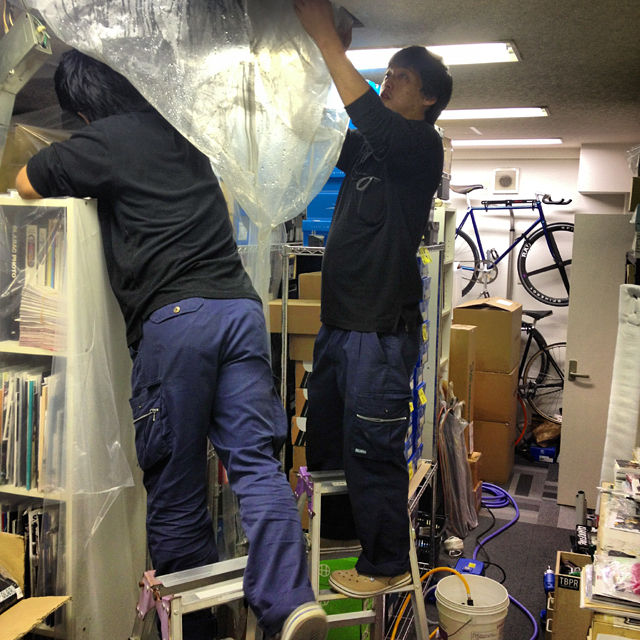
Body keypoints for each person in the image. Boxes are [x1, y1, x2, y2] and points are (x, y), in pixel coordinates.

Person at [15, 50, 327, 640]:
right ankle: (290, 603)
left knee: (177, 491)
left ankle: (197, 633)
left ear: (83, 108)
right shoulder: (181, 133)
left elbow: (25, 182)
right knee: (256, 466)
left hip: (178, 322)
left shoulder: (104, 139)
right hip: (239, 311)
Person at [294, 0, 453, 598]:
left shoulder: (421, 146)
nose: (388, 81)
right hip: (339, 325)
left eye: (401, 77)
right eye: (387, 72)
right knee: (327, 442)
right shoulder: (370, 147)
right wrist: (321, 57)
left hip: (379, 330)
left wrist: (327, 40)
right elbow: (328, 126)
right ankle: (340, 535)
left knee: (371, 448)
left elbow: (374, 121)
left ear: (428, 98)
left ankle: (386, 562)